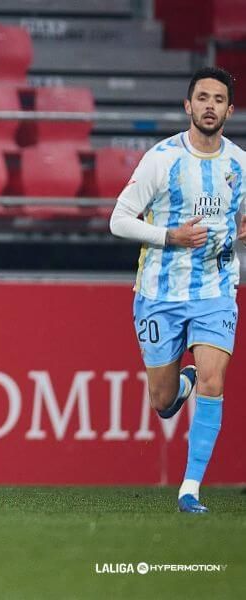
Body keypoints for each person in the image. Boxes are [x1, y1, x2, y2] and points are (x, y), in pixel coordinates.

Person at [110, 66, 245, 513]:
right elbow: (119, 220)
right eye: (202, 98)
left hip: (216, 287)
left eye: (219, 99)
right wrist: (171, 236)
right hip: (160, 292)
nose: (210, 106)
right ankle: (178, 386)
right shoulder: (161, 159)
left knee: (214, 379)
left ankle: (190, 488)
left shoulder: (239, 164)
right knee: (162, 401)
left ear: (229, 108)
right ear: (188, 106)